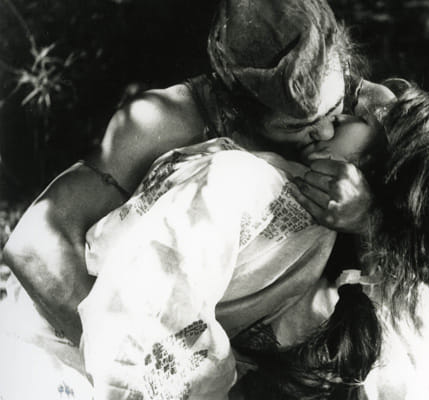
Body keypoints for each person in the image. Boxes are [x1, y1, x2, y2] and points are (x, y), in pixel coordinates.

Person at [72, 80, 429, 399]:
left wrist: (369, 220)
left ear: (381, 172)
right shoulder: (245, 181)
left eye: (360, 119)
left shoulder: (367, 274)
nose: (337, 118)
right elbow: (146, 312)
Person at [2, 0, 382, 347]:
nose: (326, 132)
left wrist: (366, 219)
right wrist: (130, 361)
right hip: (124, 331)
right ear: (241, 109)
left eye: (334, 111)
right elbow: (34, 244)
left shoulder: (370, 111)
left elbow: (406, 261)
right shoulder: (167, 121)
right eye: (297, 127)